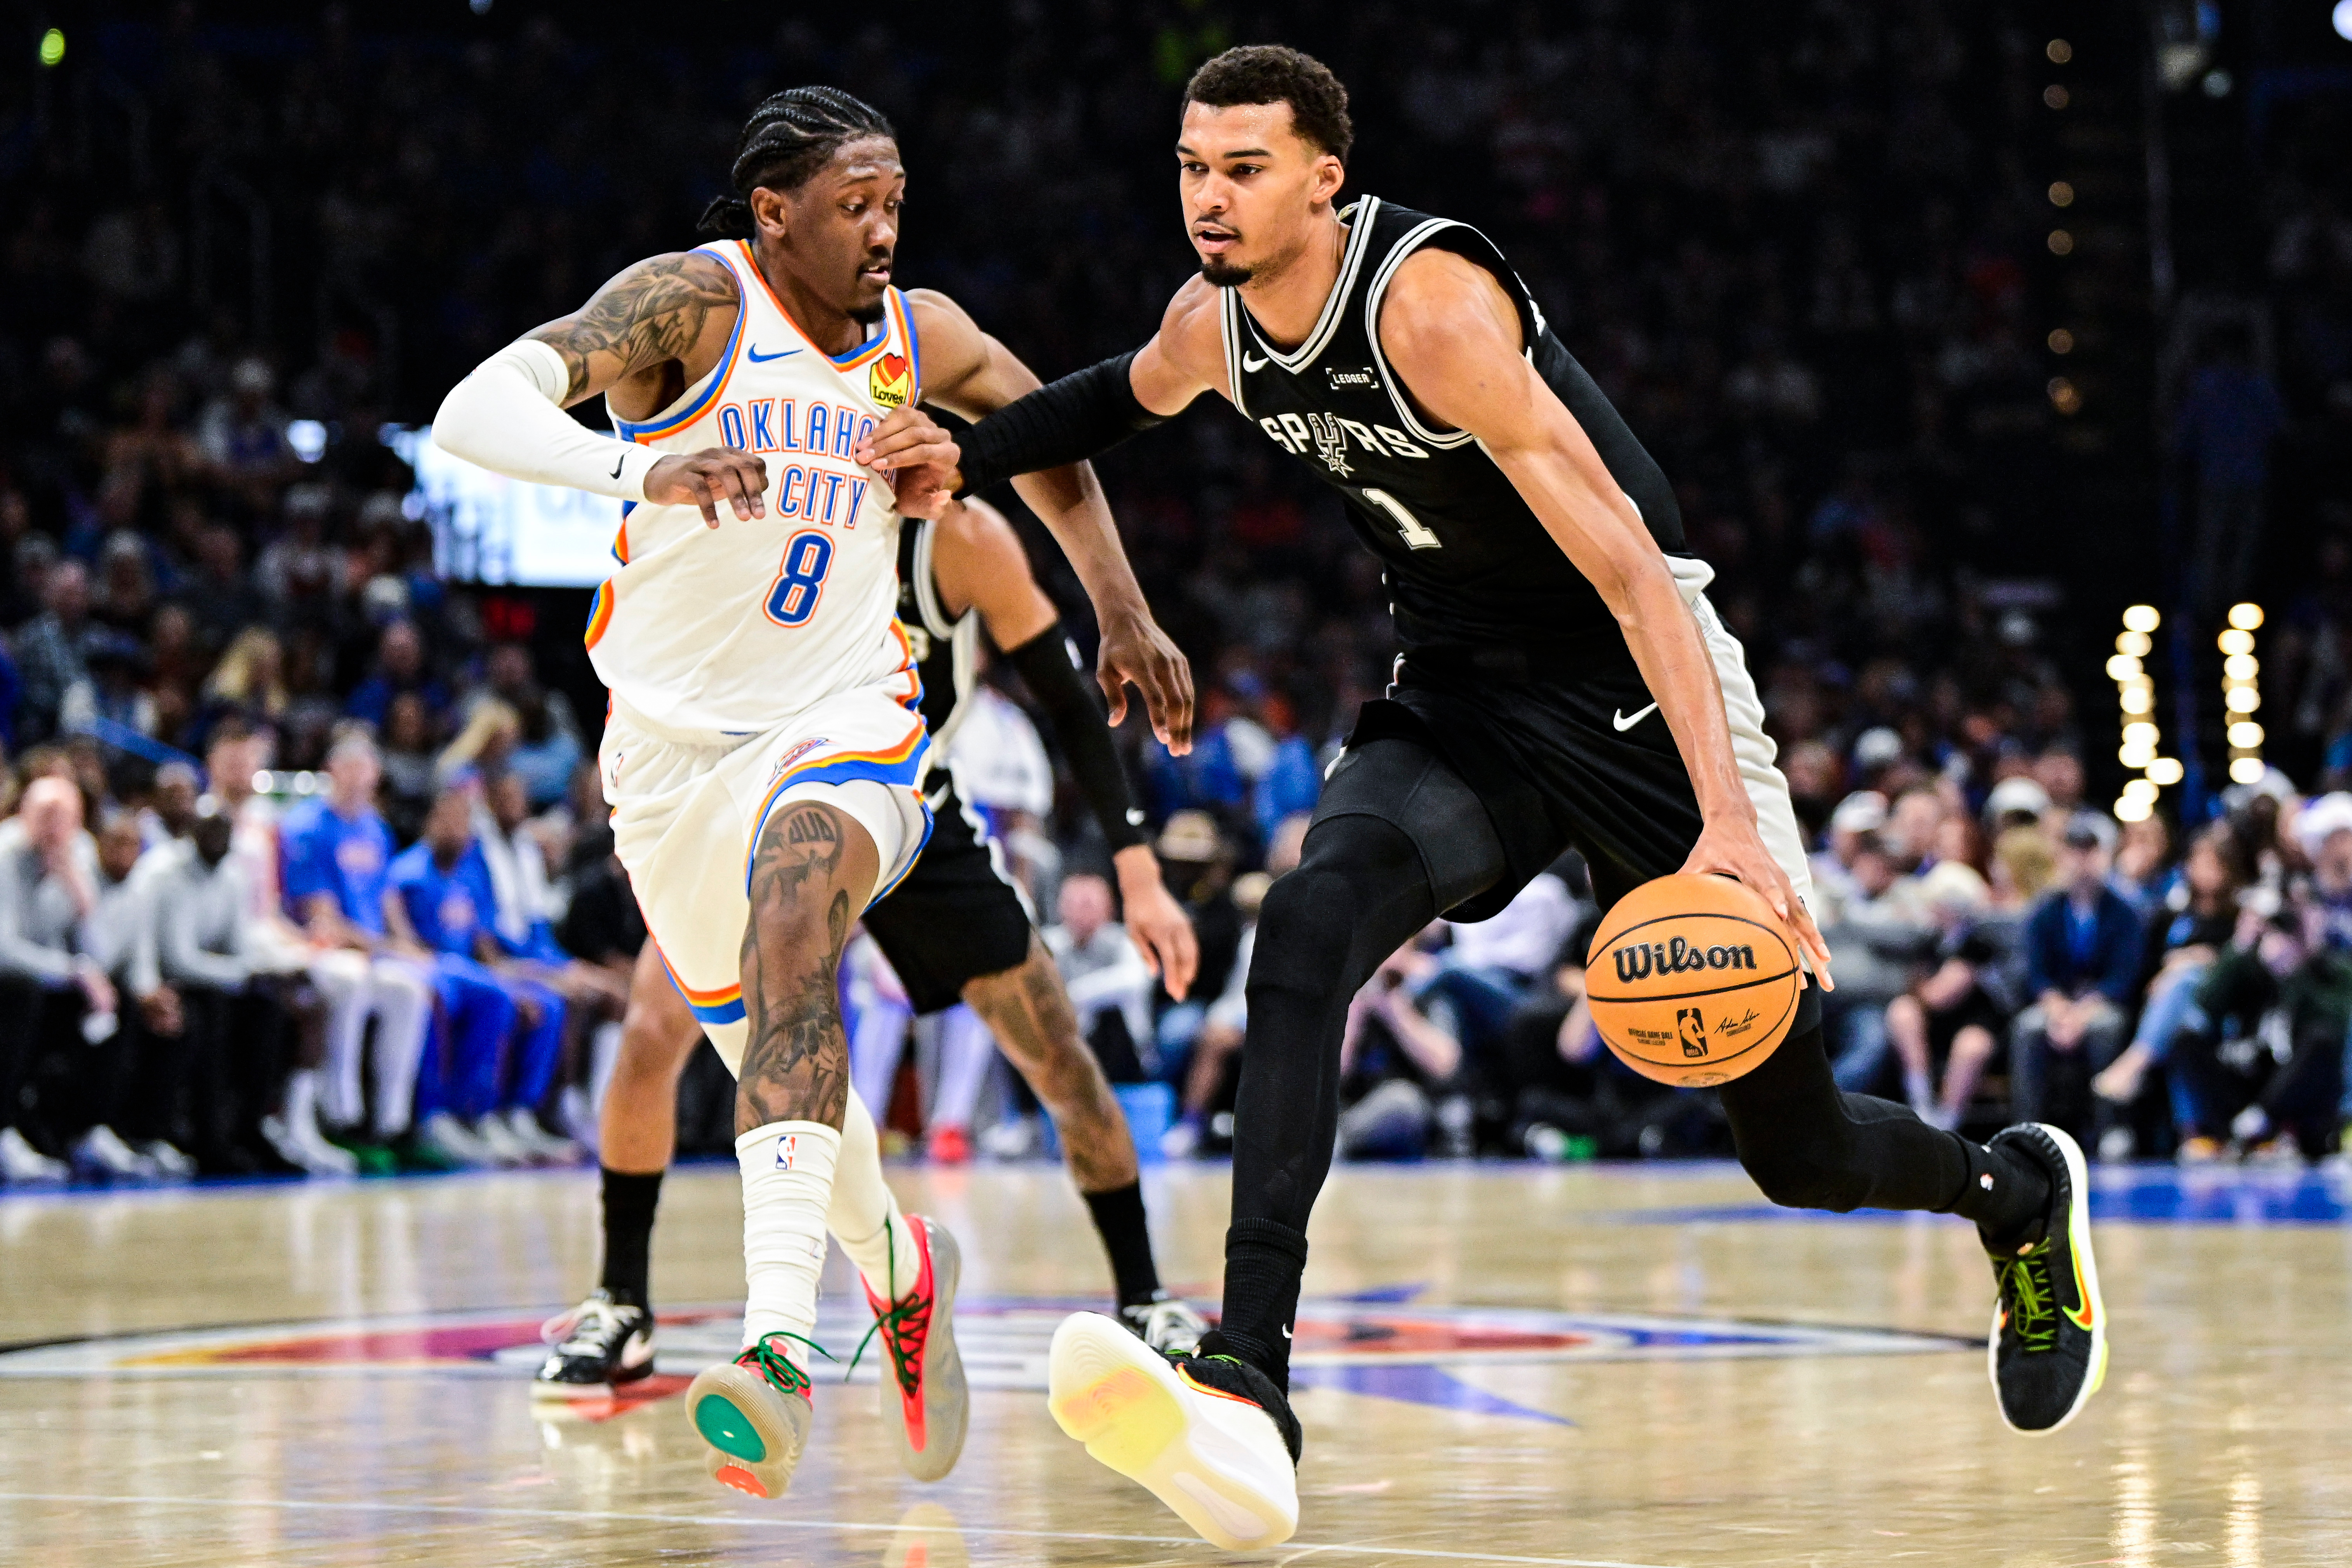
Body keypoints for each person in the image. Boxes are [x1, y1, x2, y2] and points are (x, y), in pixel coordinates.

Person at [867, 45, 2104, 1546]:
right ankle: (1246, 1373)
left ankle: (2010, 1191)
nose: (1208, 197)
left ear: (1325, 178)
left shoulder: (1430, 310)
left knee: (1795, 1151)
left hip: (1641, 694)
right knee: (1306, 923)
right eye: (1192, 168)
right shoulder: (1212, 326)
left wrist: (1721, 823)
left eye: (1242, 169)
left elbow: (1636, 571)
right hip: (1459, 701)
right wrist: (964, 453)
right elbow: (1100, 404)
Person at [434, 86, 1192, 1499]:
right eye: (856, 205)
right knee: (766, 1061)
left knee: (798, 913)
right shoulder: (689, 309)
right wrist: (639, 466)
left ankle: (777, 1350)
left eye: (896, 201)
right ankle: (902, 1271)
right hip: (661, 752)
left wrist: (1120, 612)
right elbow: (472, 410)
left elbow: (1055, 441)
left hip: (846, 715)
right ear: (773, 212)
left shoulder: (924, 337)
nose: (885, 231)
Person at [536, 492, 1210, 1405]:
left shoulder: (960, 535)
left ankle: (1146, 1294)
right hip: (774, 790)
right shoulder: (771, 489)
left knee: (1054, 1049)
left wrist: (1134, 866)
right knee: (655, 1026)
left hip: (909, 800)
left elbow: (1063, 694)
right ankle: (620, 1300)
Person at [384, 782, 573, 1168]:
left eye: (464, 821)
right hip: (426, 965)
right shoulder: (408, 872)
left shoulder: (470, 876)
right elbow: (399, 936)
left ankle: (504, 1112)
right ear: (431, 822)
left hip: (469, 971)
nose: (457, 829)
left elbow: (483, 942)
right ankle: (436, 1115)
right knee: (475, 996)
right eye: (449, 820)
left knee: (542, 1002)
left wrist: (517, 973)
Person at [277, 726, 434, 1169]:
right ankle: (340, 1115)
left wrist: (408, 946)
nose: (357, 779)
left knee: (411, 989)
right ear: (330, 771)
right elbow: (319, 915)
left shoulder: (376, 829)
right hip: (321, 948)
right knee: (352, 981)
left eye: (365, 769)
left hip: (372, 950)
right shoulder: (307, 827)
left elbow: (387, 900)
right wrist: (386, 946)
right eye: (348, 769)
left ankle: (392, 1120)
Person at [0, 776, 111, 1180]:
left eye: (65, 817)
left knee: (115, 1005)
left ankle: (80, 1131)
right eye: (46, 815)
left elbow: (100, 954)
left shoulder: (78, 854)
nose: (54, 826)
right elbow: (4, 951)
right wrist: (74, 972)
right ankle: (4, 1131)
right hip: (12, 985)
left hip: (47, 984)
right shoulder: (4, 855)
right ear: (23, 814)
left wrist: (80, 893)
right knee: (20, 995)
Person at [2010, 817, 2144, 1146]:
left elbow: (2124, 976)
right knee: (2027, 1029)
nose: (2083, 862)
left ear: (2106, 856)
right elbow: (2037, 972)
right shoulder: (2046, 910)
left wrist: (2081, 1014)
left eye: (2091, 852)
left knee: (2105, 1028)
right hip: (2056, 1004)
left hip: (2102, 1004)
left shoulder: (2125, 912)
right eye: (2075, 852)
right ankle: (2028, 1129)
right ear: (2062, 857)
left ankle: (2110, 1127)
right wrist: (2058, 1009)